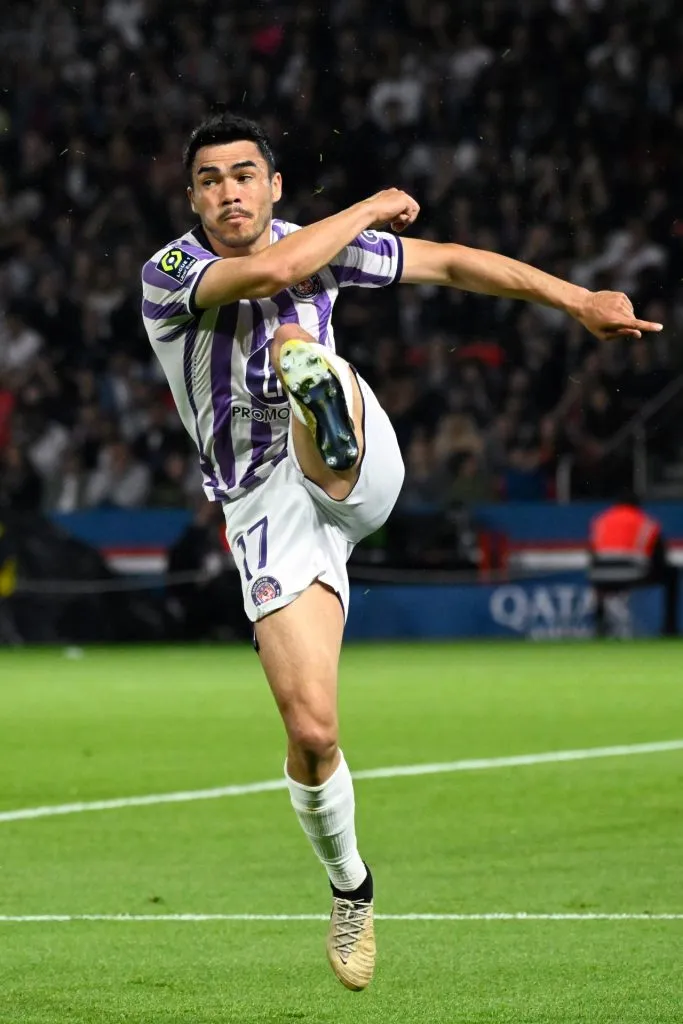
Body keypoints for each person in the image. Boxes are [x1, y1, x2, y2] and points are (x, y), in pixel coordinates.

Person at [140, 113, 663, 990]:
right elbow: (274, 268)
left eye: (243, 174)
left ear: (272, 185)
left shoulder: (320, 244)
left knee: (300, 347)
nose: (227, 191)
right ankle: (351, 888)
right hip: (265, 506)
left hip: (353, 470)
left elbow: (455, 262)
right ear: (190, 196)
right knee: (311, 732)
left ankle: (325, 410)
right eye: (208, 179)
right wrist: (369, 204)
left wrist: (577, 301)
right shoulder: (171, 272)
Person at [588, 491, 678, 637]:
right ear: (638, 506)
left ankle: (600, 626)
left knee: (600, 586)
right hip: (633, 573)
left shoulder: (601, 521)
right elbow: (659, 557)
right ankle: (669, 627)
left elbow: (592, 552)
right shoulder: (646, 522)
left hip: (600, 575)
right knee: (672, 573)